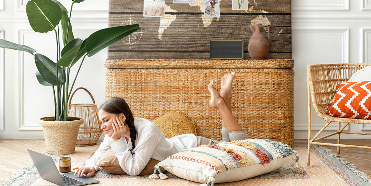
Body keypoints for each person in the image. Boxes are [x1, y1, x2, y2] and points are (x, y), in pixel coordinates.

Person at [73, 72, 248, 177]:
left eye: (106, 120)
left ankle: (219, 103)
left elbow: (134, 169)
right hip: (185, 145)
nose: (103, 126)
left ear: (122, 117)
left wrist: (118, 141)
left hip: (195, 147)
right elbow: (100, 153)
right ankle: (224, 98)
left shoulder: (147, 130)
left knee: (241, 150)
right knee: (230, 145)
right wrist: (88, 167)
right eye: (102, 122)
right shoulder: (115, 134)